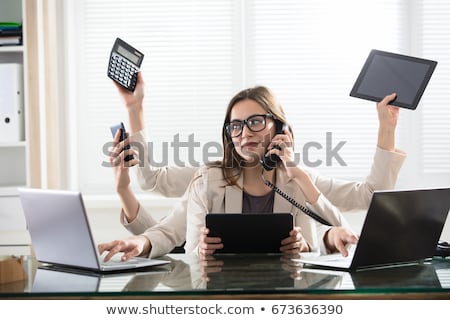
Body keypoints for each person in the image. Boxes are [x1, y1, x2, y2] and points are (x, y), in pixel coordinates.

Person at [99, 73, 406, 261]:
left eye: (256, 122)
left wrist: (387, 126)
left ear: (280, 127)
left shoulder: (298, 180)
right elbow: (167, 229)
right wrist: (134, 108)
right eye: (236, 126)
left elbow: (368, 196)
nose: (244, 133)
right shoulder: (209, 179)